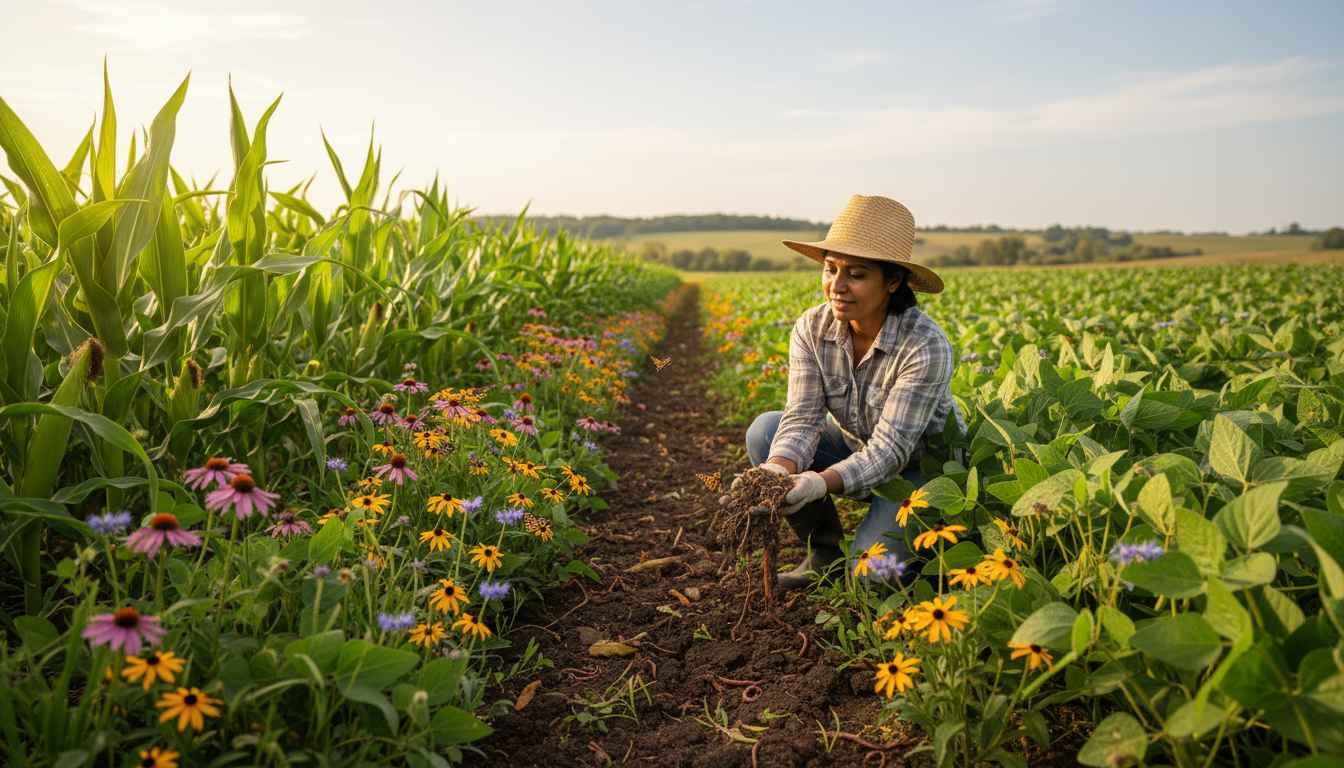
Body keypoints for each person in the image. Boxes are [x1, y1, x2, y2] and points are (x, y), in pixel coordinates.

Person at [740, 194, 965, 590]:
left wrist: (817, 482)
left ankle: (939, 539)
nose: (837, 287)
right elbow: (803, 416)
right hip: (855, 447)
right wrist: (778, 470)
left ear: (893, 282)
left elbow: (891, 452)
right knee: (767, 431)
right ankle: (823, 556)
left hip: (920, 471)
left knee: (872, 576)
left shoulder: (924, 345)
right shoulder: (812, 328)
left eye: (856, 275)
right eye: (830, 269)